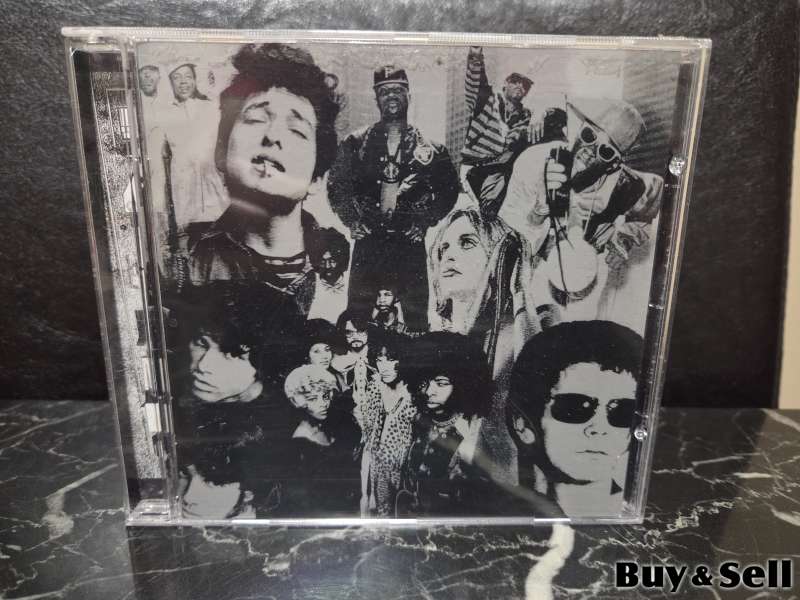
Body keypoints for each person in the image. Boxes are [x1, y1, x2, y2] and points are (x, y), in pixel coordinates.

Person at [181, 44, 340, 318]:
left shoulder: (345, 270)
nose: (273, 136)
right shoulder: (184, 266)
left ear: (317, 178)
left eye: (297, 130)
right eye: (255, 119)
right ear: (221, 153)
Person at [501, 98, 664, 328]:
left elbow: (655, 196)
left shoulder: (627, 185)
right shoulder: (534, 162)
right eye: (589, 136)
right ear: (580, 129)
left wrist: (625, 239)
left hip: (585, 279)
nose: (590, 151)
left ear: (614, 165)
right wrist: (538, 213)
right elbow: (506, 238)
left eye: (605, 151)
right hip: (532, 269)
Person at [328, 65, 459, 330]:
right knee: (358, 316)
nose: (391, 96)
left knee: (415, 317)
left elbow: (449, 189)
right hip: (369, 241)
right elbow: (337, 185)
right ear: (376, 98)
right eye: (384, 91)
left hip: (408, 242)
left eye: (398, 90)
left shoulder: (430, 147)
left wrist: (424, 221)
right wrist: (352, 220)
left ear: (409, 95)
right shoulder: (356, 142)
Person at [428, 207, 549, 485]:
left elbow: (539, 383)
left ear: (501, 257)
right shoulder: (446, 343)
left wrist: (520, 293)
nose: (448, 256)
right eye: (444, 248)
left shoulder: (535, 322)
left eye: (467, 242)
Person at [168, 281, 306, 519]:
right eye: (201, 343)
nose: (204, 365)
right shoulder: (172, 405)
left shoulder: (291, 433)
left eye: (231, 354)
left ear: (267, 361)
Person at [506, 320, 643, 517]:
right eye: (575, 408)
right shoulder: (503, 512)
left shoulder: (645, 510)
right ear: (523, 425)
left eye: (621, 411)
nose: (599, 428)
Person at [460, 47, 566, 217]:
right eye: (516, 80)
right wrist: (475, 54)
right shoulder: (486, 99)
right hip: (476, 168)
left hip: (501, 171)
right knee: (491, 213)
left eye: (525, 84)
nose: (520, 86)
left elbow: (556, 120)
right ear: (505, 83)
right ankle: (489, 214)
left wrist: (544, 114)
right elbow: (475, 78)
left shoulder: (526, 116)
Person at [399, 332, 491, 516]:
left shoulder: (471, 434)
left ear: (462, 385)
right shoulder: (419, 421)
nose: (429, 391)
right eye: (425, 383)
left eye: (441, 383)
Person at [282, 364, 361, 515]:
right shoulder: (299, 444)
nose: (323, 403)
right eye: (313, 398)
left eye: (325, 396)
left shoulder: (329, 426)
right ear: (297, 401)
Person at [161, 62, 228, 229]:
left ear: (195, 80)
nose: (183, 82)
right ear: (170, 83)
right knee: (191, 231)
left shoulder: (211, 107)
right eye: (177, 77)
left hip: (213, 182)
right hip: (185, 186)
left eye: (188, 76)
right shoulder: (165, 114)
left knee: (221, 227)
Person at [359, 332, 416, 516]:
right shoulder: (374, 388)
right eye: (379, 360)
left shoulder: (413, 394)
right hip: (376, 464)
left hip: (405, 469)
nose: (384, 367)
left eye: (391, 360)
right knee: (379, 515)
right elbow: (368, 433)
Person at [307, 226, 350, 324]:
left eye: (332, 261)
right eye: (322, 261)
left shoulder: (351, 282)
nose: (327, 266)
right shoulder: (311, 284)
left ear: (341, 260)